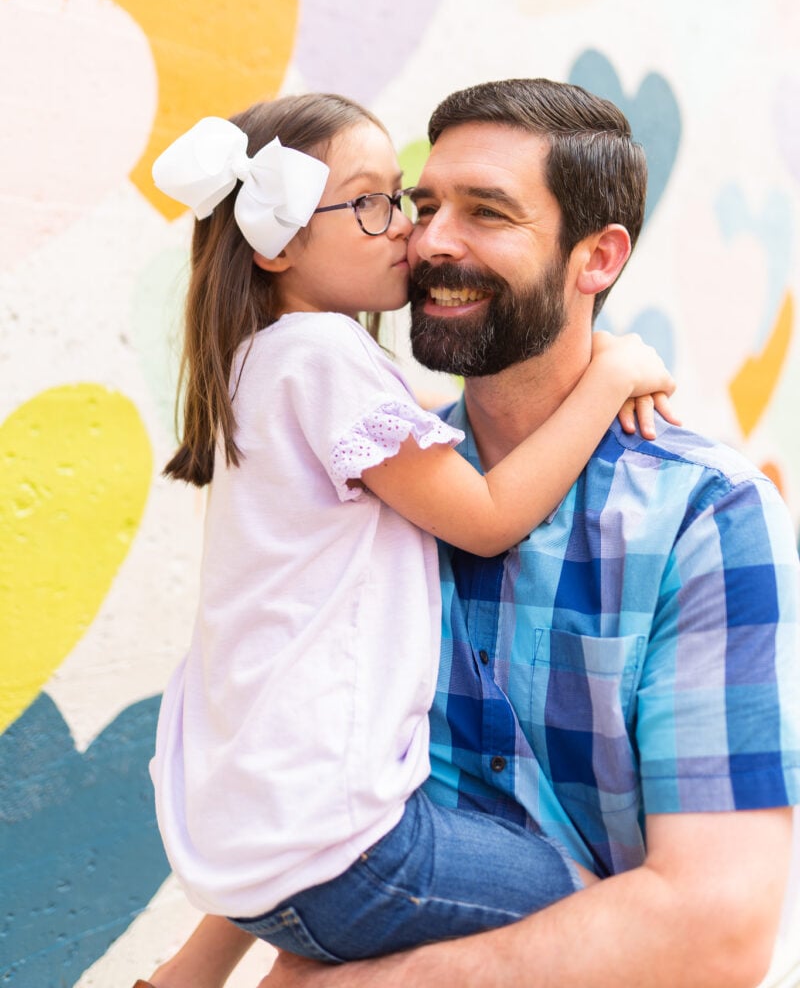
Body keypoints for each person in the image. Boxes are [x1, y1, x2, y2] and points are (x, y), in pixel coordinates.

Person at [255, 78, 800, 988]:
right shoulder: (384, 479)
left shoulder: (708, 516)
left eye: (487, 213)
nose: (429, 240)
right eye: (424, 205)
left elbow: (718, 929)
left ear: (598, 258)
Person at [142, 92, 677, 984]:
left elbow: (439, 432)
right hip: (347, 854)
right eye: (375, 204)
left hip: (246, 840)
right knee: (598, 916)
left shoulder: (262, 360)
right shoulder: (326, 358)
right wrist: (610, 370)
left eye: (404, 199)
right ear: (276, 246)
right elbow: (488, 515)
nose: (411, 234)